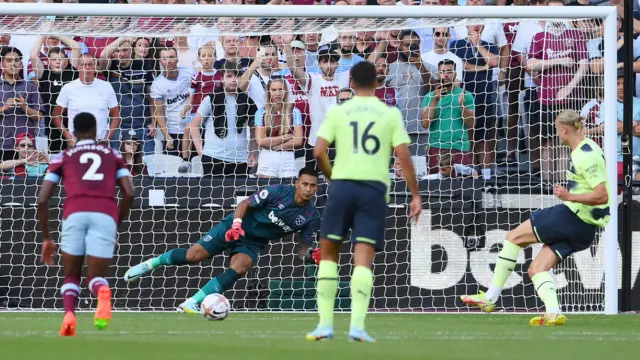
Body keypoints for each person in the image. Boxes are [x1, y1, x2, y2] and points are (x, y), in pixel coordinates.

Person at [461, 110, 610, 326]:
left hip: (573, 216)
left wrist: (569, 196)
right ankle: (553, 312)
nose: (557, 133)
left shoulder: (585, 155)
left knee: (513, 237)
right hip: (585, 229)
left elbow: (602, 194)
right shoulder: (588, 147)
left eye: (557, 129)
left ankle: (490, 297)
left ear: (563, 128)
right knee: (536, 269)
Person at [308, 61, 421, 342]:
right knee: (363, 259)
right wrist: (415, 195)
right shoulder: (390, 113)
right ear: (377, 82)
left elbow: (319, 151)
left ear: (352, 82)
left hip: (343, 186)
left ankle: (325, 325)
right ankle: (357, 327)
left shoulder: (338, 110)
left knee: (330, 255)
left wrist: (333, 176)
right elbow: (404, 156)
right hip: (374, 190)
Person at [123, 167, 322, 313]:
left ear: (316, 188)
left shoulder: (311, 216)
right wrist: (236, 224)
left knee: (241, 267)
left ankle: (192, 302)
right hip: (234, 226)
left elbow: (302, 249)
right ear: (297, 183)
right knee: (193, 256)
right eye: (304, 184)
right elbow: (245, 203)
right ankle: (151, 263)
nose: (308, 189)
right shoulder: (278, 191)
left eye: (312, 186)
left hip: (254, 242)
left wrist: (311, 256)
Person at [37, 112, 135, 336]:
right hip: (105, 214)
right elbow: (129, 193)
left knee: (71, 274)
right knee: (95, 276)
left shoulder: (64, 155)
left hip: (75, 213)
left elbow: (43, 198)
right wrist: (115, 222)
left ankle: (69, 315)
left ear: (73, 131)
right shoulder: (113, 154)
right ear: (95, 130)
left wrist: (46, 238)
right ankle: (102, 290)